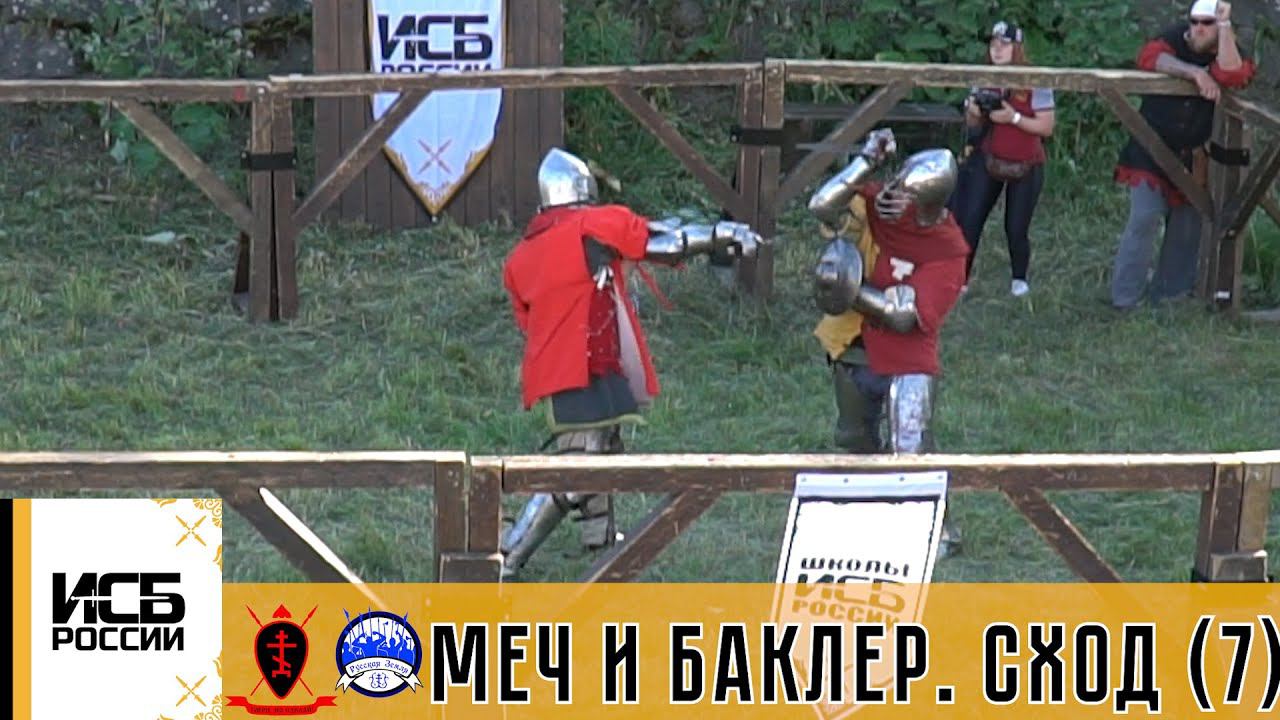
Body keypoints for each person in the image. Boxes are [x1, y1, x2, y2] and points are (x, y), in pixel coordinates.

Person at [499, 147, 764, 580]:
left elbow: (526, 318)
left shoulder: (525, 254)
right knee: (580, 468)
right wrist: (719, 234)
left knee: (603, 448)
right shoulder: (588, 228)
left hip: (573, 363)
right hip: (578, 366)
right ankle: (510, 552)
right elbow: (663, 245)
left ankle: (599, 538)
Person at [808, 127, 969, 554]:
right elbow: (822, 205)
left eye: (905, 193)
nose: (893, 196)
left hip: (908, 360)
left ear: (928, 205)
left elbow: (903, 316)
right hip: (854, 348)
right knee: (853, 440)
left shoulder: (948, 251)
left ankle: (937, 531)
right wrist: (866, 161)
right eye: (895, 184)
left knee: (911, 449)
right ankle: (868, 517)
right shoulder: (879, 207)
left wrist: (846, 287)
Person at [1110, 0, 1255, 310]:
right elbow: (1150, 57)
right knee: (1144, 217)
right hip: (1151, 147)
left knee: (1187, 226)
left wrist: (1225, 26)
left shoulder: (1229, 46)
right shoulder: (1174, 37)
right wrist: (1194, 73)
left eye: (1207, 23)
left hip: (1194, 154)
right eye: (1194, 21)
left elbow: (1233, 74)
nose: (1198, 28)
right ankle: (1125, 299)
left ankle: (1169, 297)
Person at [952, 21, 1056, 297]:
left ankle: (1019, 278)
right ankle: (960, 279)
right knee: (970, 218)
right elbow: (973, 125)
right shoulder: (983, 77)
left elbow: (1046, 127)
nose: (997, 50)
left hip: (1027, 162)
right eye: (993, 44)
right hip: (990, 157)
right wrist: (973, 111)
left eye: (1004, 44)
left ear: (1017, 48)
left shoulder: (1035, 80)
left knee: (1016, 226)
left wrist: (1014, 117)